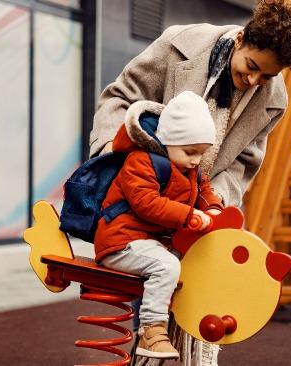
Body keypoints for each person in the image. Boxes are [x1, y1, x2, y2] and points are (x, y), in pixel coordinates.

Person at [89, 1, 291, 363]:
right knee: (155, 295)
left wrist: (214, 208)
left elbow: (245, 161)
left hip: (198, 207)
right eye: (252, 67)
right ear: (241, 38)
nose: (255, 81)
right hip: (149, 197)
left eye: (268, 76)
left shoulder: (273, 99)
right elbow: (121, 97)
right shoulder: (179, 44)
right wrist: (111, 155)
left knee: (199, 301)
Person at [94, 91, 224, 359]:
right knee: (166, 265)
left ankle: (179, 320)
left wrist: (213, 209)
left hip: (147, 243)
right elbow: (146, 202)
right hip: (121, 242)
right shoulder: (140, 161)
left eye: (201, 153)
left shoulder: (188, 169)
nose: (196, 160)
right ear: (169, 141)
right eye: (191, 152)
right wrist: (189, 216)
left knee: (189, 262)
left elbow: (204, 190)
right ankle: (151, 333)